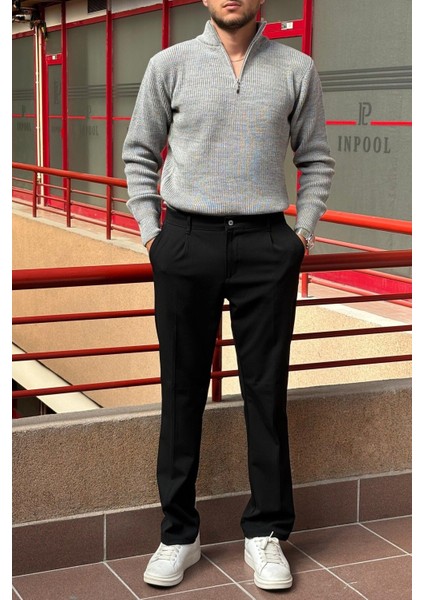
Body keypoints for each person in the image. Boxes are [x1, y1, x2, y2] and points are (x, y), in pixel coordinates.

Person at [122, 0, 335, 591]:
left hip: (267, 242)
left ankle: (265, 532)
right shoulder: (169, 65)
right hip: (186, 240)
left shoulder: (296, 69)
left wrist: (302, 233)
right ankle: (178, 534)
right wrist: (152, 234)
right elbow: (139, 152)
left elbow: (316, 158)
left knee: (266, 391)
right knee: (181, 389)